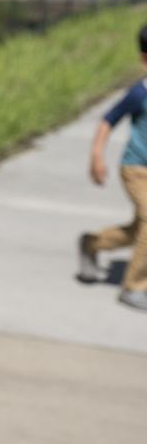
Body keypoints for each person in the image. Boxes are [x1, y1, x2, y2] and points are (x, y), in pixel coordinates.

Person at [77, 24, 147, 312]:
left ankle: (92, 244)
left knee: (137, 231)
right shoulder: (139, 93)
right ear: (145, 58)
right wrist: (97, 155)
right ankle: (133, 287)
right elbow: (108, 121)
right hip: (136, 170)